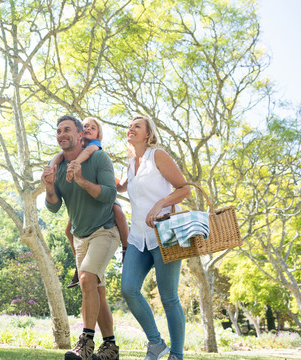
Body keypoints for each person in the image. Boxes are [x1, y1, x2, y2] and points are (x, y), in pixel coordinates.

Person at [42, 115, 124, 360]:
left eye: (67, 129)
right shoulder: (56, 167)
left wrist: (80, 179)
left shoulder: (98, 158)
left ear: (80, 135)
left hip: (105, 231)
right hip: (80, 237)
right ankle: (110, 347)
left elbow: (110, 195)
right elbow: (54, 206)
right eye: (58, 131)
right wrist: (48, 187)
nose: (61, 134)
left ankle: (85, 343)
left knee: (87, 278)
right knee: (95, 292)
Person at [118, 115, 190, 360]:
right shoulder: (131, 162)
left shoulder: (157, 155)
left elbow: (185, 189)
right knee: (128, 289)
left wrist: (161, 203)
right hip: (138, 237)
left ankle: (177, 355)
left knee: (169, 297)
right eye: (130, 126)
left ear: (148, 134)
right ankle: (156, 343)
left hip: (165, 235)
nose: (131, 129)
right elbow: (121, 186)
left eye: (137, 126)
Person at [49, 117, 129, 289]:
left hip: (102, 195)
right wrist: (52, 166)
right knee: (69, 230)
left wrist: (74, 164)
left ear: (98, 133)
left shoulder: (94, 146)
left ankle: (126, 246)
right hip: (83, 206)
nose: (87, 130)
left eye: (92, 128)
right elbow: (58, 156)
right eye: (85, 126)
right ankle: (80, 267)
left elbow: (112, 189)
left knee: (118, 211)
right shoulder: (73, 148)